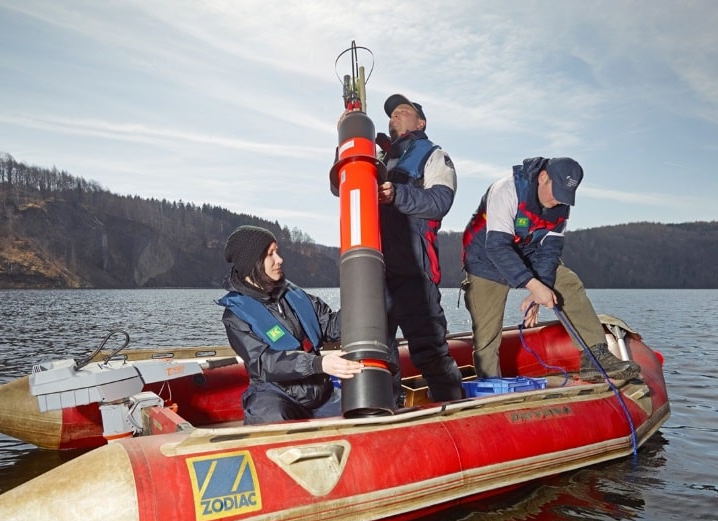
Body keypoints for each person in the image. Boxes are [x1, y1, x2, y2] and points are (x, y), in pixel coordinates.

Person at [461, 157, 640, 383]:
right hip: (486, 259)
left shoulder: (561, 204)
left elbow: (550, 251)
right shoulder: (506, 190)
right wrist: (533, 284)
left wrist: (540, 289)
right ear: (543, 177)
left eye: (564, 197)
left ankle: (595, 358)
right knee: (487, 334)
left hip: (530, 253)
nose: (558, 201)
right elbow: (497, 247)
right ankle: (490, 385)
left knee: (568, 282)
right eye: (556, 193)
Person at [217, 225, 363, 424]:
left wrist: (362, 304)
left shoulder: (296, 296)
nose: (279, 259)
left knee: (361, 412)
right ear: (253, 263)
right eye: (271, 254)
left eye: (277, 252)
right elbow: (263, 362)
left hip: (319, 393)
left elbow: (330, 326)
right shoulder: (235, 316)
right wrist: (317, 363)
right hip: (275, 393)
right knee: (267, 413)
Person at [374, 94, 463, 403]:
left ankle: (454, 412)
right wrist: (346, 138)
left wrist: (396, 194)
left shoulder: (433, 155)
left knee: (431, 353)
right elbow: (340, 186)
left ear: (420, 122)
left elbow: (440, 202)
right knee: (378, 356)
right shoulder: (377, 159)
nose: (394, 117)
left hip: (414, 272)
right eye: (391, 114)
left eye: (403, 112)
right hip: (375, 273)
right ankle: (390, 416)